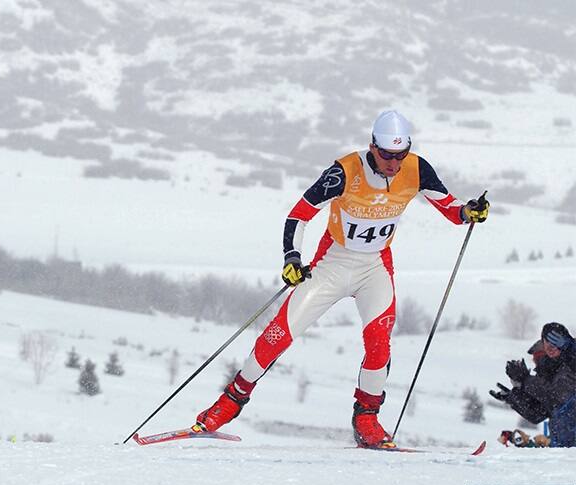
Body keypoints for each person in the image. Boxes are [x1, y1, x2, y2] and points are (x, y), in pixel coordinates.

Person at [194, 110, 490, 447]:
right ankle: (229, 402)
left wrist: (470, 211)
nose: (394, 163)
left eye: (401, 154)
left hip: (374, 267)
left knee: (379, 343)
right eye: (387, 154)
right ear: (372, 146)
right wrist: (292, 258)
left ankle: (367, 418)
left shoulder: (417, 168)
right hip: (332, 264)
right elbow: (299, 215)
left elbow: (451, 209)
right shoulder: (344, 171)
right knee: (278, 335)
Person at [491, 322, 576, 447]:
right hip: (563, 446)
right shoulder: (552, 372)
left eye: (553, 345)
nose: (550, 350)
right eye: (547, 346)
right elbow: (539, 413)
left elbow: (556, 397)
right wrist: (514, 397)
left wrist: (526, 380)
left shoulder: (570, 365)